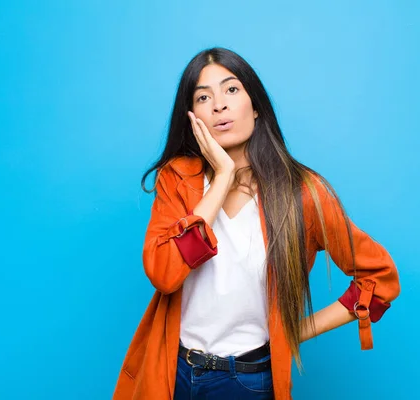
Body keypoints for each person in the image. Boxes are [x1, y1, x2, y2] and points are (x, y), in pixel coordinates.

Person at [112, 47, 400, 400]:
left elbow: (381, 279)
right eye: (204, 97)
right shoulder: (178, 179)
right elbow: (164, 275)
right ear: (192, 116)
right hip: (172, 373)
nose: (219, 104)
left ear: (256, 105)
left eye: (231, 90)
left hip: (246, 382)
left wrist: (291, 333)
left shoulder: (304, 193)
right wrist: (221, 179)